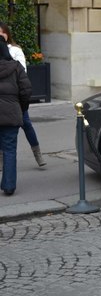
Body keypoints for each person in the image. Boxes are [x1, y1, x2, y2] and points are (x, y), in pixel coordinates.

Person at [0, 22, 45, 166]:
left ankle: (37, 153)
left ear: (7, 34)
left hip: (15, 96)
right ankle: (2, 159)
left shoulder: (15, 50)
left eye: (2, 32)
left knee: (26, 123)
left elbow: (22, 73)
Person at [0, 35, 32, 195]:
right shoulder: (16, 67)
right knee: (9, 150)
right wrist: (21, 107)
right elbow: (26, 90)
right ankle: (9, 186)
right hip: (11, 114)